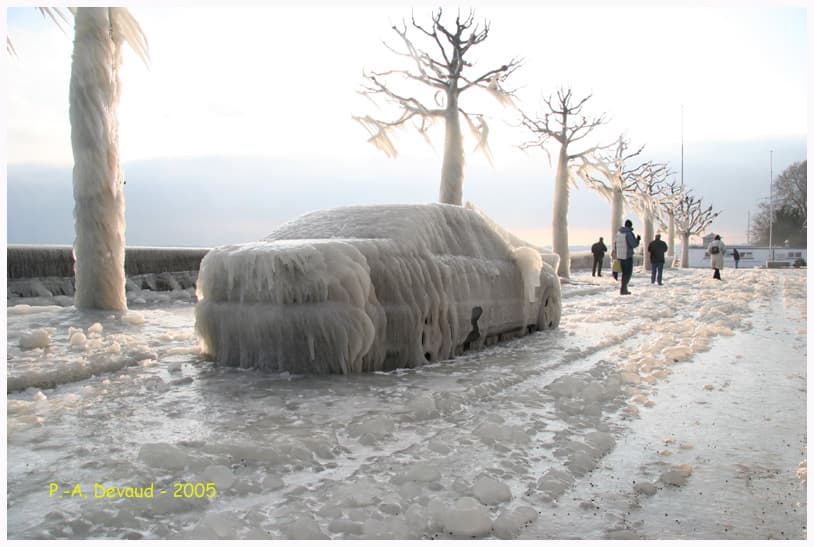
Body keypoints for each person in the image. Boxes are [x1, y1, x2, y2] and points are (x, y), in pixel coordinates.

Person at [613, 219, 640, 295]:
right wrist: (637, 240)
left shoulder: (619, 233)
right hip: (627, 256)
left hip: (620, 256)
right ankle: (623, 290)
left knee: (624, 274)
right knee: (627, 274)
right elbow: (633, 244)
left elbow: (615, 245)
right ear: (630, 226)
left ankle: (623, 289)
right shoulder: (629, 233)